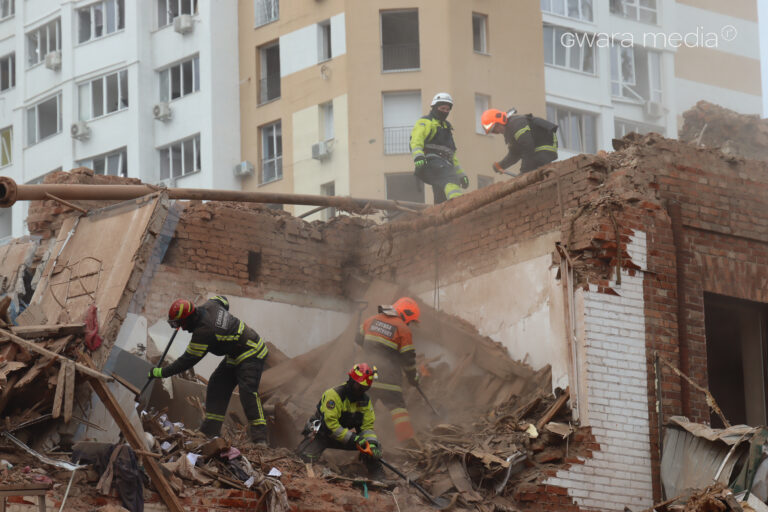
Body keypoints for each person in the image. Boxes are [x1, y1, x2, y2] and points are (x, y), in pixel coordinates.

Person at [148, 297, 270, 445]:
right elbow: (223, 300)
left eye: (182, 324)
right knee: (217, 385)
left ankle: (260, 439)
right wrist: (225, 322)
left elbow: (185, 361)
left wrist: (160, 372)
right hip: (235, 352)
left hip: (252, 350)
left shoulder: (204, 332)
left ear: (189, 318)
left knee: (247, 392)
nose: (183, 329)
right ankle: (210, 430)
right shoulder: (211, 305)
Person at [297, 363, 385, 480]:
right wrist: (353, 438)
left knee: (372, 445)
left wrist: (372, 443)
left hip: (344, 436)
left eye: (365, 389)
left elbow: (367, 427)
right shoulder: (334, 395)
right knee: (303, 459)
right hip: (322, 434)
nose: (361, 392)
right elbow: (331, 426)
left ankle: (378, 476)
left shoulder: (365, 401)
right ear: (351, 381)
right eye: (359, 387)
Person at [356, 297, 420, 444]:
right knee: (398, 409)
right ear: (406, 315)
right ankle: (408, 442)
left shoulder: (370, 320)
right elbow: (408, 361)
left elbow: (358, 339)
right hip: (389, 380)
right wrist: (413, 378)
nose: (409, 323)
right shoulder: (403, 329)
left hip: (367, 378)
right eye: (410, 320)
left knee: (363, 410)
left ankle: (355, 440)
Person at [411, 92, 470, 204]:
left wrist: (461, 174)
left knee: (441, 193)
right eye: (442, 108)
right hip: (430, 161)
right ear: (434, 107)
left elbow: (452, 156)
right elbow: (416, 140)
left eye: (448, 110)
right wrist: (418, 157)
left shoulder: (447, 127)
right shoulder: (425, 122)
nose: (445, 112)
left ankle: (441, 217)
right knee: (450, 179)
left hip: (444, 163)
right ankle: (459, 205)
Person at [481, 108, 558, 175]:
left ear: (500, 120)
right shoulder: (510, 131)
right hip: (536, 147)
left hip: (546, 143)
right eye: (494, 131)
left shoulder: (516, 124)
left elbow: (528, 147)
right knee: (533, 169)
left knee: (536, 166)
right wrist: (501, 165)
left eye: (495, 128)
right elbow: (515, 154)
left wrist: (523, 172)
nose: (497, 131)